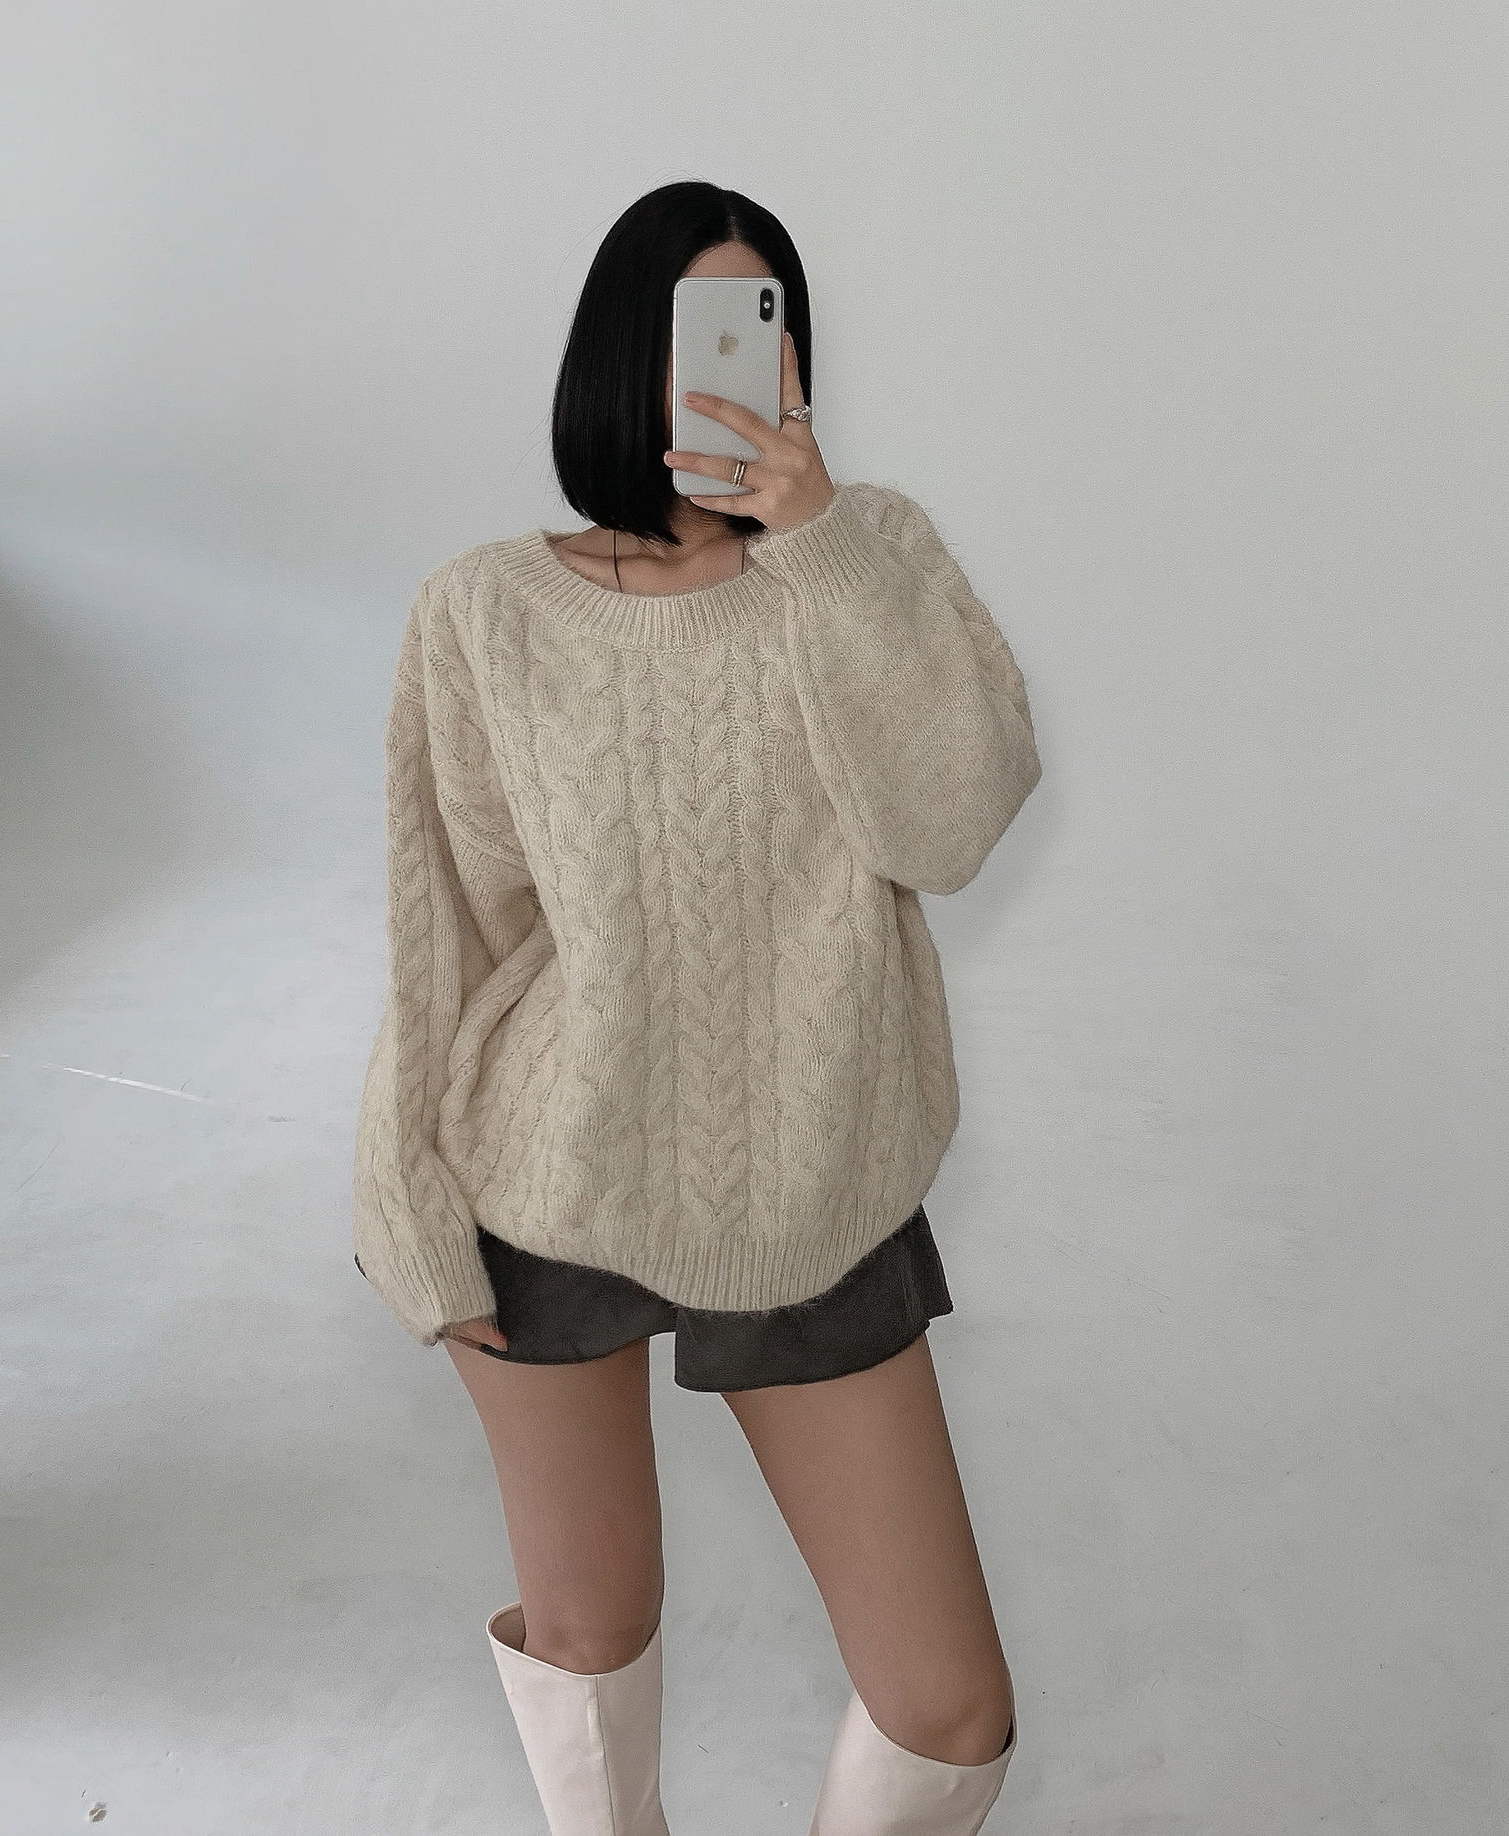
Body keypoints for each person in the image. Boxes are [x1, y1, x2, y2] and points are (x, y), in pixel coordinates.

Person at [351, 180, 1041, 1835]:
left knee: (948, 1710)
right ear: (618, 354)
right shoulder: (483, 610)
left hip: (815, 1176)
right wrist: (412, 1207)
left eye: (762, 327)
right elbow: (447, 936)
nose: (732, 369)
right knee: (592, 1637)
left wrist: (819, 544)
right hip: (549, 1176)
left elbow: (950, 828)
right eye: (692, 334)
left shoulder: (871, 556)